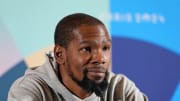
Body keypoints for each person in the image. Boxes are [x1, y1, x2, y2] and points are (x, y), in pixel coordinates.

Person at [8, 13, 148, 101]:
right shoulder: (30, 89)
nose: (101, 58)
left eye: (105, 48)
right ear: (60, 55)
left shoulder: (121, 88)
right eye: (86, 49)